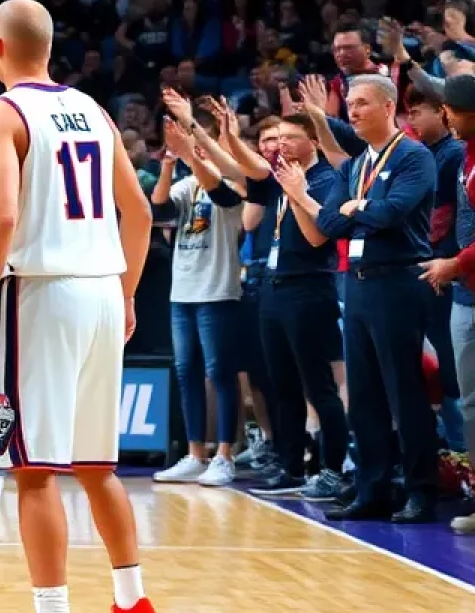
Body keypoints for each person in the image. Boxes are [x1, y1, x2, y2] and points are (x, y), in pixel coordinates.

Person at [0, 0, 168, 613]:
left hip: (43, 291)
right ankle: (133, 608)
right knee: (96, 465)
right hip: (104, 289)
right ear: (47, 48)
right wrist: (129, 291)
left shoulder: (1, 114)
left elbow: (1, 216)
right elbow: (137, 210)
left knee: (33, 470)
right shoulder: (94, 111)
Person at [277, 74, 439, 522]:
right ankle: (372, 489)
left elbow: (389, 213)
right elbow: (331, 224)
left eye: (363, 103)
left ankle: (421, 490)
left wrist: (356, 209)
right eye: (350, 103)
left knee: (404, 392)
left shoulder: (413, 156)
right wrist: (337, 208)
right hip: (359, 285)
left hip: (399, 282)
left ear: (390, 108)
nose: (353, 110)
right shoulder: (354, 165)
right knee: (364, 395)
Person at [229, 114, 353, 503]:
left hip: (309, 288)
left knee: (319, 387)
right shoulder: (282, 175)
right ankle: (291, 466)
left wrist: (297, 191)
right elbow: (244, 168)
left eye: (291, 137)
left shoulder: (326, 180)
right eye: (278, 137)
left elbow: (318, 237)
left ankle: (333, 470)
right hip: (274, 287)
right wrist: (226, 137)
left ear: (313, 141)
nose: (281, 144)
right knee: (281, 385)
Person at [148, 112, 246, 486]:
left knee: (220, 372)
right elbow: (158, 210)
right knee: (186, 371)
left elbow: (220, 195)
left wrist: (190, 155)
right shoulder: (186, 184)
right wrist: (169, 164)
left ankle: (225, 454)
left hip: (218, 290)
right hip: (182, 292)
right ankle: (194, 454)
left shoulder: (235, 178)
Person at [417, 73, 475, 533]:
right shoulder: (465, 155)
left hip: (464, 280)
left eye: (450, 110)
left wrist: (455, 262)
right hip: (465, 292)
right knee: (470, 401)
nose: (446, 117)